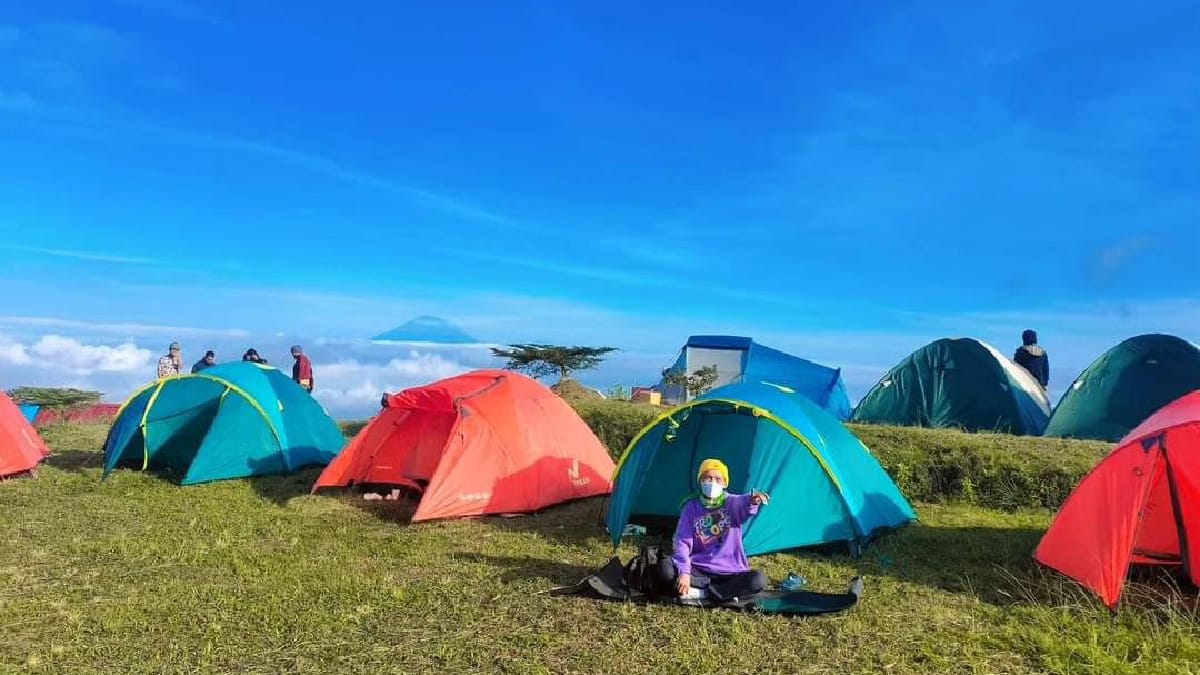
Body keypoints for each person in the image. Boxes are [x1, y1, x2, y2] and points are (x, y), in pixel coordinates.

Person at [654, 458, 770, 601]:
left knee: (758, 579)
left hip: (730, 573)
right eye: (708, 478)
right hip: (698, 569)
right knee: (664, 569)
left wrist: (753, 500)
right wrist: (684, 572)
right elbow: (682, 541)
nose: (712, 482)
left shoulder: (731, 502)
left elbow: (744, 502)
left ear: (725, 483)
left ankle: (704, 594)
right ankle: (725, 592)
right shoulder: (690, 507)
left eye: (717, 479)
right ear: (700, 481)